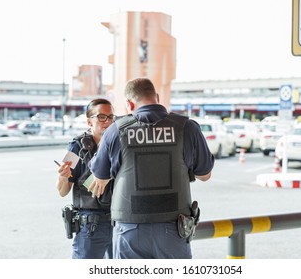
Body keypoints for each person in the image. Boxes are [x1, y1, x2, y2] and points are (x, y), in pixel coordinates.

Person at [88, 77, 214, 259]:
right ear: (157, 97)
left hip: (129, 229)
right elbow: (205, 175)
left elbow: (99, 176)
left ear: (129, 104)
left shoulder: (116, 131)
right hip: (175, 228)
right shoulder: (187, 127)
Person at [55, 98, 116, 259]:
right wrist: (63, 177)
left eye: (110, 117)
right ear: (89, 122)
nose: (107, 121)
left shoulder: (120, 143)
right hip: (91, 226)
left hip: (121, 222)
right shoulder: (77, 147)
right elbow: (62, 191)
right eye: (101, 117)